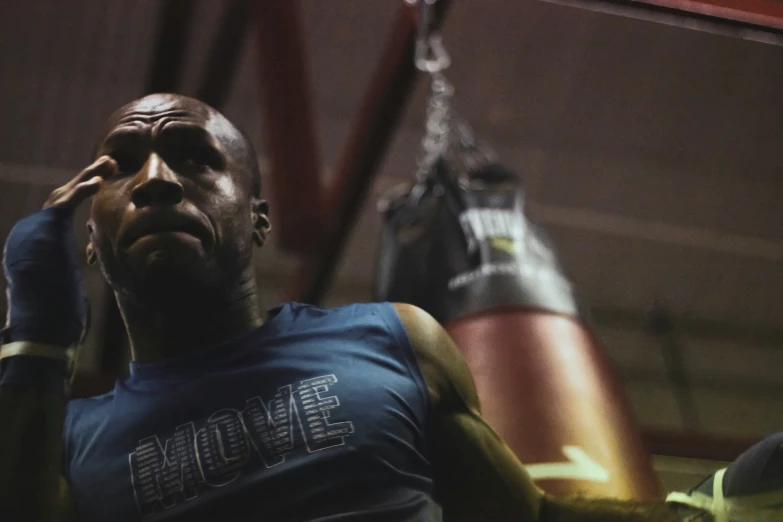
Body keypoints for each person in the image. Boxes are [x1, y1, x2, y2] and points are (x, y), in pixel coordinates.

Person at [0, 93, 721, 522]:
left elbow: (525, 518)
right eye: (120, 167)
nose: (155, 180)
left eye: (194, 158)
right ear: (89, 240)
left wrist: (710, 512)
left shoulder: (392, 340)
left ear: (256, 219)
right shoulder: (59, 440)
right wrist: (33, 347)